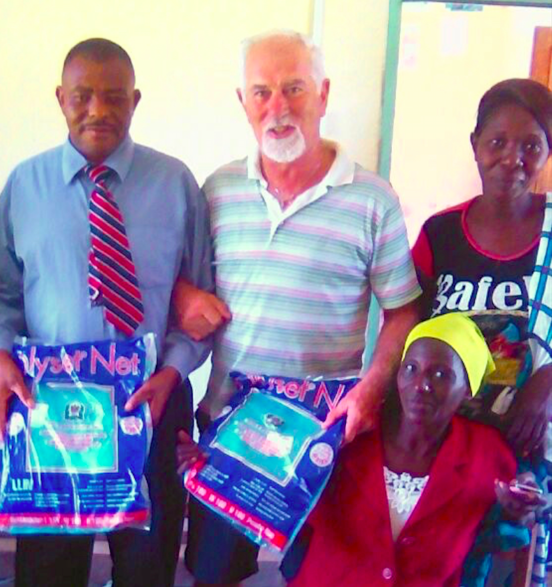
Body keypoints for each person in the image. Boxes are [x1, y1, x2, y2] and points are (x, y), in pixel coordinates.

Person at [172, 30, 421, 586]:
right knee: (213, 575)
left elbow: (402, 311)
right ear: (243, 102)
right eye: (261, 92)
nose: (277, 108)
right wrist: (183, 295)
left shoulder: (373, 199)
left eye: (294, 89)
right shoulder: (217, 191)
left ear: (323, 94)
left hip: (324, 438)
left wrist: (372, 387)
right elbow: (183, 282)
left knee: (318, 577)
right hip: (229, 428)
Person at [0, 38, 212, 587]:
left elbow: (201, 301)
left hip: (151, 400)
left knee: (147, 567)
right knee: (48, 572)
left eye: (114, 97)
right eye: (82, 96)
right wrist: (1, 355)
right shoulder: (25, 185)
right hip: (51, 408)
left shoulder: (175, 184)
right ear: (61, 98)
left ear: (136, 100)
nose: (98, 111)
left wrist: (173, 371)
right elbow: (0, 293)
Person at [178, 313, 544, 586]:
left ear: (468, 390)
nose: (421, 384)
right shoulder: (349, 430)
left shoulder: (487, 455)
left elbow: (500, 538)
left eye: (440, 374)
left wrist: (517, 512)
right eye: (411, 368)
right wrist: (210, 466)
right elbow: (268, 469)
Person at [411, 78, 552, 582]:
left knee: (510, 557)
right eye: (497, 142)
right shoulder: (440, 233)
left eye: (531, 146)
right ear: (475, 145)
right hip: (446, 435)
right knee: (443, 561)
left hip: (530, 436)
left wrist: (545, 385)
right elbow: (410, 329)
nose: (512, 159)